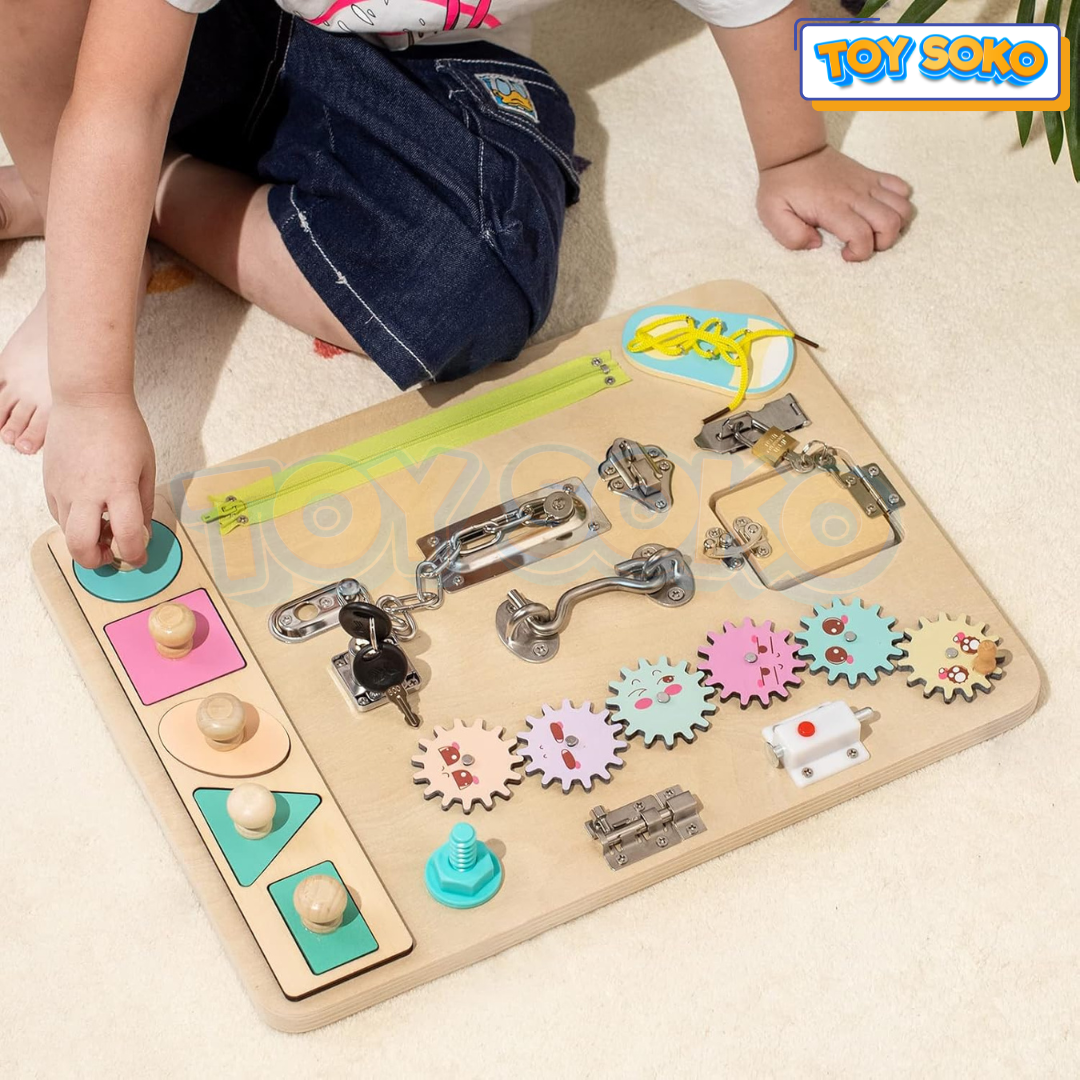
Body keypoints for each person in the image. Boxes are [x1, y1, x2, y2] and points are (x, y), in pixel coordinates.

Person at [0, 0, 913, 568]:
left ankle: (143, 203)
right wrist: (93, 393)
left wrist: (797, 154)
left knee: (469, 279)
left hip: (447, 79)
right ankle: (65, 198)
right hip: (207, 41)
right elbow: (119, 102)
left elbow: (762, 7)